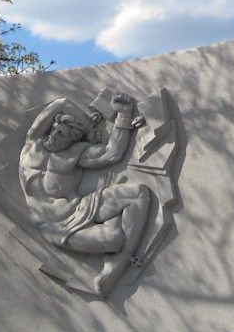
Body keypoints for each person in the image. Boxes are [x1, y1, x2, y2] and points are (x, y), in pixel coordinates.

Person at [18, 92, 151, 297]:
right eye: (54, 130)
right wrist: (89, 129)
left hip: (81, 208)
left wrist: (124, 114)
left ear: (72, 140)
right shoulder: (33, 142)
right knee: (113, 240)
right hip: (57, 226)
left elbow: (112, 153)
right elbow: (62, 103)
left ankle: (114, 269)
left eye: (61, 135)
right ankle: (114, 228)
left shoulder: (75, 153)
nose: (53, 136)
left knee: (139, 193)